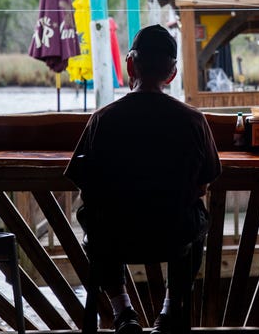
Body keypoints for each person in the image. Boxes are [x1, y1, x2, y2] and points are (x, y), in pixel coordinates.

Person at [64, 24, 222, 334]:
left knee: (91, 215)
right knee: (196, 218)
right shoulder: (193, 120)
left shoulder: (103, 119)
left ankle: (123, 309)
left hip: (114, 238)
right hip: (172, 237)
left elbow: (84, 183)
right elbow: (203, 185)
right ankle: (170, 308)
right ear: (172, 74)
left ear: (129, 65)